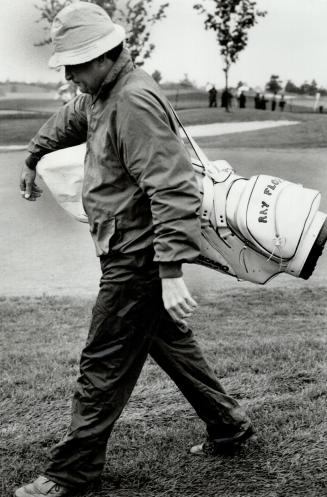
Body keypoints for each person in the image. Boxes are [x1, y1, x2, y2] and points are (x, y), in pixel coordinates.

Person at [16, 3, 253, 496]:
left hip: (137, 255)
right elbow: (72, 116)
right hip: (126, 247)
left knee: (101, 362)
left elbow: (172, 188)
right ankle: (228, 425)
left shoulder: (132, 101)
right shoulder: (102, 92)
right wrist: (35, 154)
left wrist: (168, 271)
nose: (71, 77)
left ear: (104, 56)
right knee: (169, 344)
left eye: (75, 65)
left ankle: (72, 472)